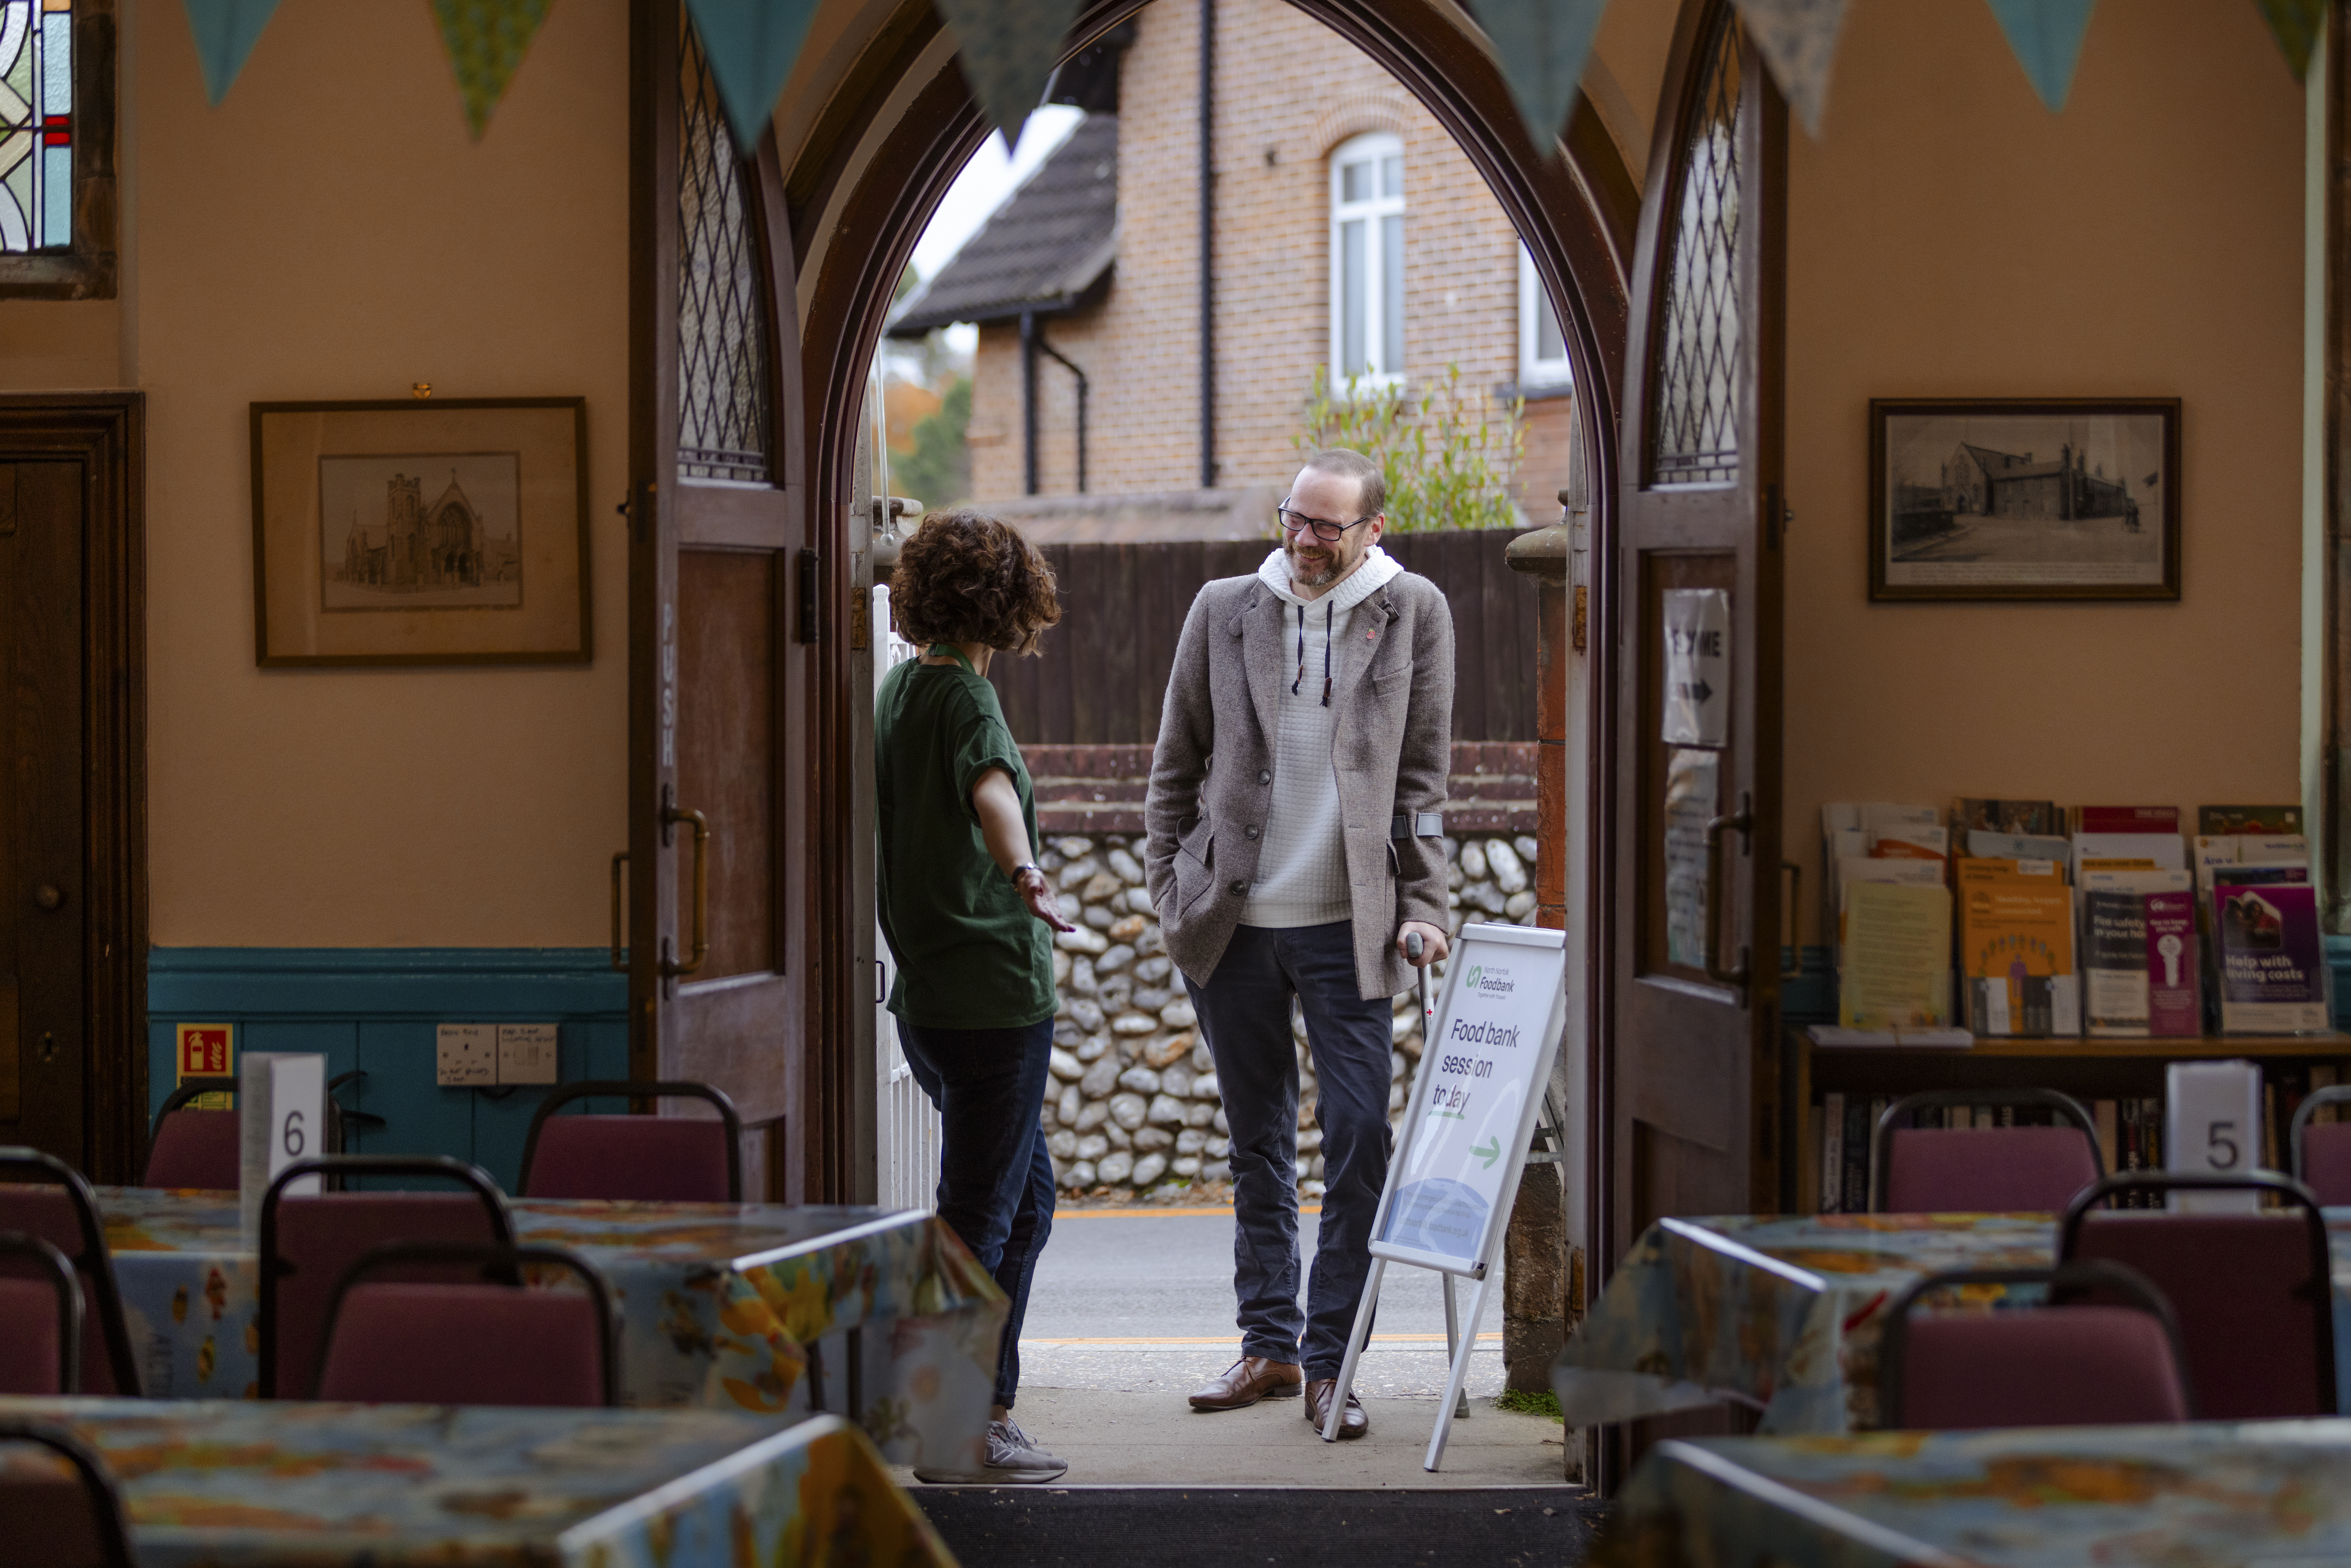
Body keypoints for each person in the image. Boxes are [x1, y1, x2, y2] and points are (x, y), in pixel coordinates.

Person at [1145, 448, 1455, 1440]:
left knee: (1359, 1137)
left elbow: (1424, 783)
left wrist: (1428, 901)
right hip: (1231, 923)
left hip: (1348, 925)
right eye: (1293, 517)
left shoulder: (1414, 612)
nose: (1303, 538)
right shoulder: (1222, 605)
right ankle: (1270, 1345)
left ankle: (1332, 1363)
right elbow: (1172, 763)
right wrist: (1168, 888)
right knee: (1257, 1142)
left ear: (1372, 531)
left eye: (1326, 525)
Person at [876, 508, 1075, 1484]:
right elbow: (992, 789)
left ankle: (979, 1402)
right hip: (994, 1000)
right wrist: (1027, 870)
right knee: (978, 1219)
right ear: (1010, 605)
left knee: (1026, 1204)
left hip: (926, 1000)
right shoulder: (968, 704)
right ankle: (954, 1426)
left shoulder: (896, 691)